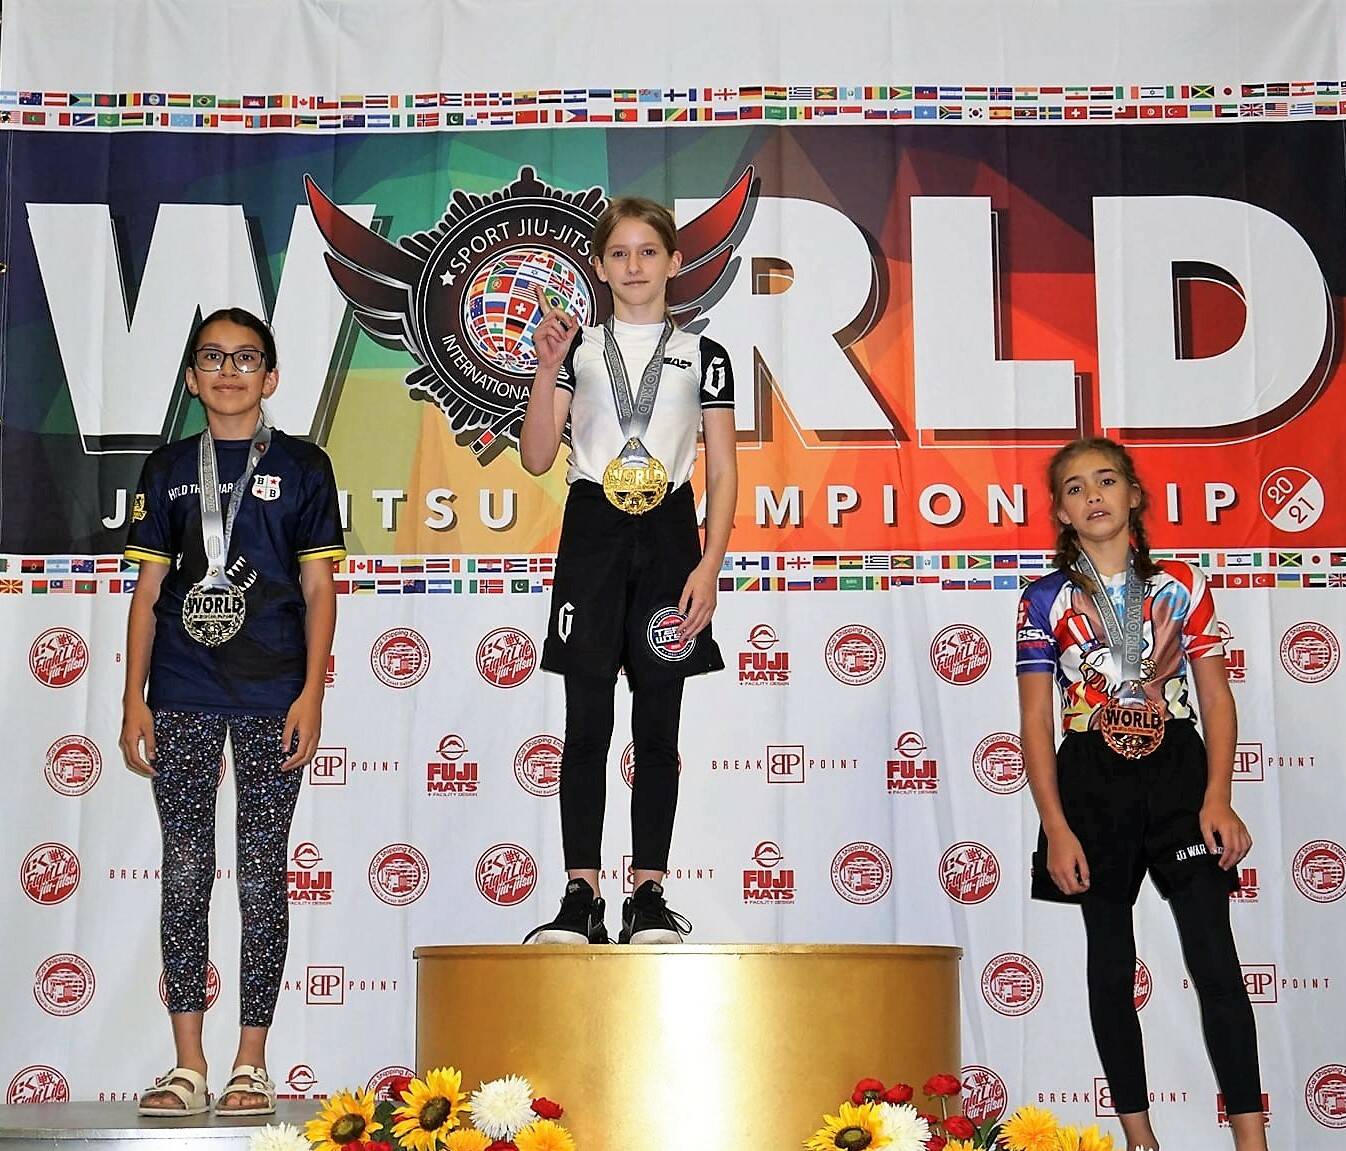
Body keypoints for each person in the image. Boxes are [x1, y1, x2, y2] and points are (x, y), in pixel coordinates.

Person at [120, 307, 344, 1116]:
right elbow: (149, 593)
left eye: (246, 357)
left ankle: (252, 1059)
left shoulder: (305, 466)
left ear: (271, 377)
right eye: (211, 357)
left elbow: (319, 588)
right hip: (179, 688)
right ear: (190, 378)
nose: (228, 370)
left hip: (271, 691)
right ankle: (188, 1062)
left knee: (258, 871)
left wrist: (313, 690)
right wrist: (131, 700)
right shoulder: (166, 468)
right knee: (184, 869)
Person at [1017, 437, 1267, 1151]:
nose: (1092, 495)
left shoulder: (1182, 581)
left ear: (1134, 496)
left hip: (1178, 772)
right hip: (1091, 778)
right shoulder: (1043, 598)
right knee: (1110, 964)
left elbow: (1216, 698)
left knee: (1215, 960)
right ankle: (1140, 1138)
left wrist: (1217, 797)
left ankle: (1253, 1141)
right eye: (1073, 488)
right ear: (1063, 513)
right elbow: (1036, 719)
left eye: (1105, 481)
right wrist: (1056, 826)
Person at [518, 196, 737, 945]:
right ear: (601, 266)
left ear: (676, 263)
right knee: (587, 721)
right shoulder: (577, 348)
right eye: (620, 253)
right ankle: (581, 894)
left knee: (657, 721)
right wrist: (546, 373)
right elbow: (540, 457)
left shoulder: (705, 355)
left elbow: (725, 467)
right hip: (593, 534)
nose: (635, 265)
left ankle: (648, 893)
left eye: (649, 252)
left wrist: (709, 564)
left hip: (672, 537)